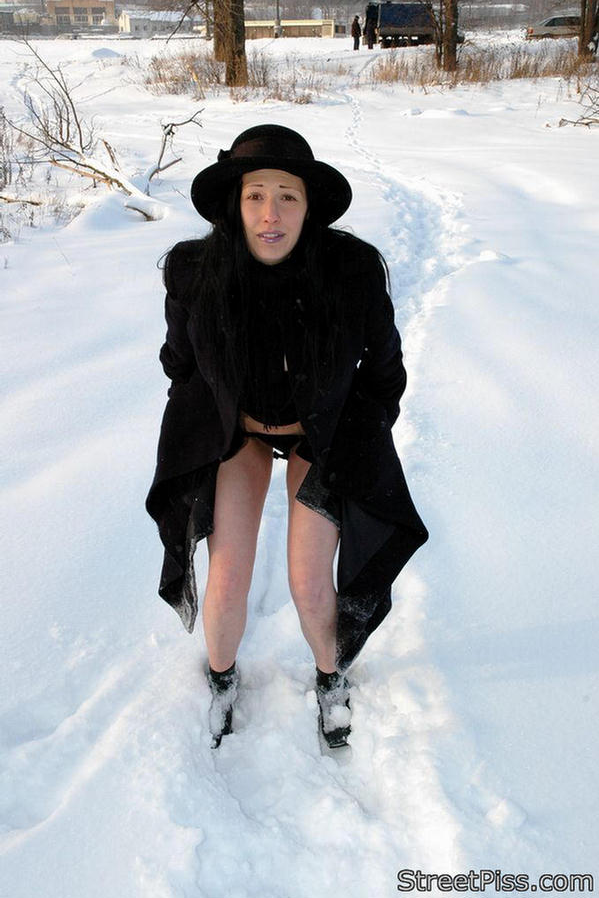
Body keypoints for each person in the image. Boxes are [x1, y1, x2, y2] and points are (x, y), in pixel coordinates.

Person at [145, 124, 428, 749]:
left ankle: (331, 679)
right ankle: (222, 678)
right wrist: (205, 419)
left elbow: (385, 370)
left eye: (287, 197)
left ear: (309, 205)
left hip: (319, 436)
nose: (270, 214)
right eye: (255, 196)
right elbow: (179, 363)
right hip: (238, 433)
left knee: (308, 581)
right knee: (227, 579)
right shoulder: (194, 271)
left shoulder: (350, 271)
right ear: (235, 202)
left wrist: (362, 434)